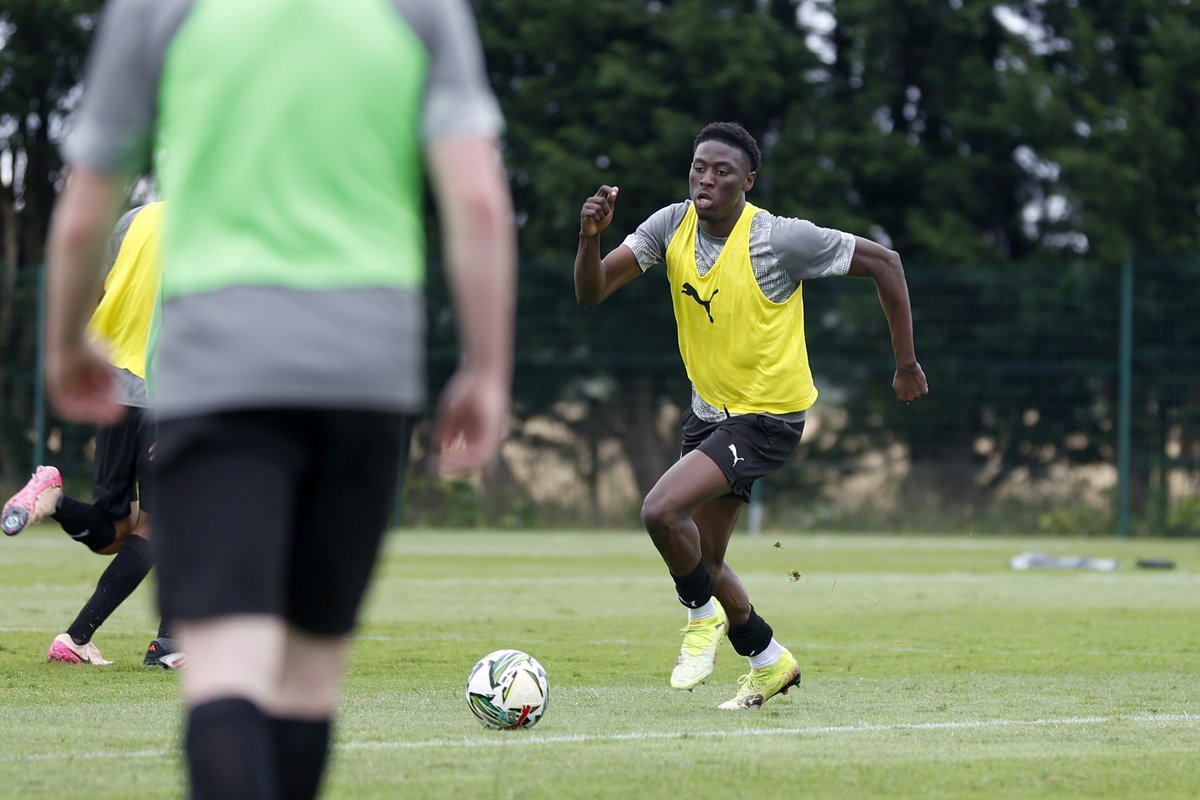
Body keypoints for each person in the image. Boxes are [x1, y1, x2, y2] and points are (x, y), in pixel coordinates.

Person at [44, 1, 515, 798]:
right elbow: (476, 202)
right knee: (305, 682)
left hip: (214, 373)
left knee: (225, 671)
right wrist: (486, 367)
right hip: (363, 375)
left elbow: (88, 199)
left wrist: (63, 342)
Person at [574, 121, 928, 710]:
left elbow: (886, 264)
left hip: (768, 417)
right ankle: (768, 660)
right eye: (698, 168)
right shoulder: (670, 225)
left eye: (722, 171)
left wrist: (906, 364)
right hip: (709, 412)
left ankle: (700, 619)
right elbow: (592, 292)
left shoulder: (779, 240)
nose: (706, 179)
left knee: (661, 511)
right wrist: (589, 238)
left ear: (747, 181)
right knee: (703, 559)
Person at [3, 200, 181, 669]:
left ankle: (55, 498)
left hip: (115, 386)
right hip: (167, 389)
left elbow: (99, 290)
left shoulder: (136, 218)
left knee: (116, 530)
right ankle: (167, 645)